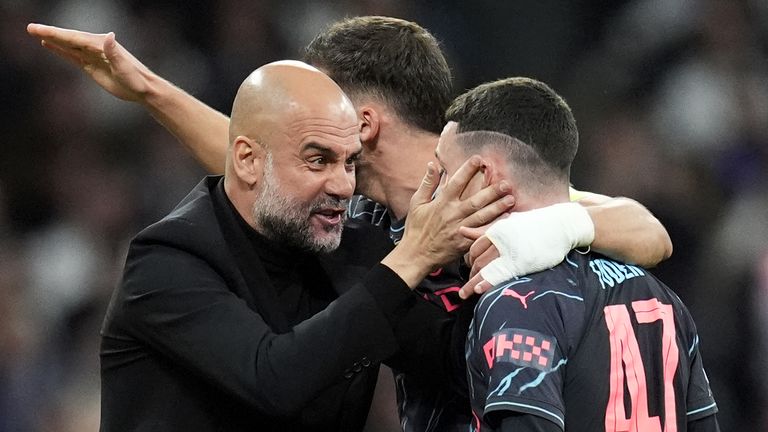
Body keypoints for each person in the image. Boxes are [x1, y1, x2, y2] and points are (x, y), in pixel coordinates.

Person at [27, 16, 674, 432]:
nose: (328, 169)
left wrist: (538, 231)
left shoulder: (479, 188)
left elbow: (646, 230)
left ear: (358, 123)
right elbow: (258, 160)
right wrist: (150, 91)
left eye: (327, 115)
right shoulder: (350, 223)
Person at [98, 59, 514, 431]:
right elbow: (273, 381)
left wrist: (530, 237)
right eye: (319, 160)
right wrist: (413, 255)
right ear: (247, 161)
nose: (344, 186)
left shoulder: (352, 255)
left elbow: (453, 360)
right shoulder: (166, 262)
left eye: (350, 161)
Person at [437, 77, 720, 431]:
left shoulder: (516, 302)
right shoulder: (660, 297)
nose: (438, 195)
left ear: (484, 173)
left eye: (445, 174)